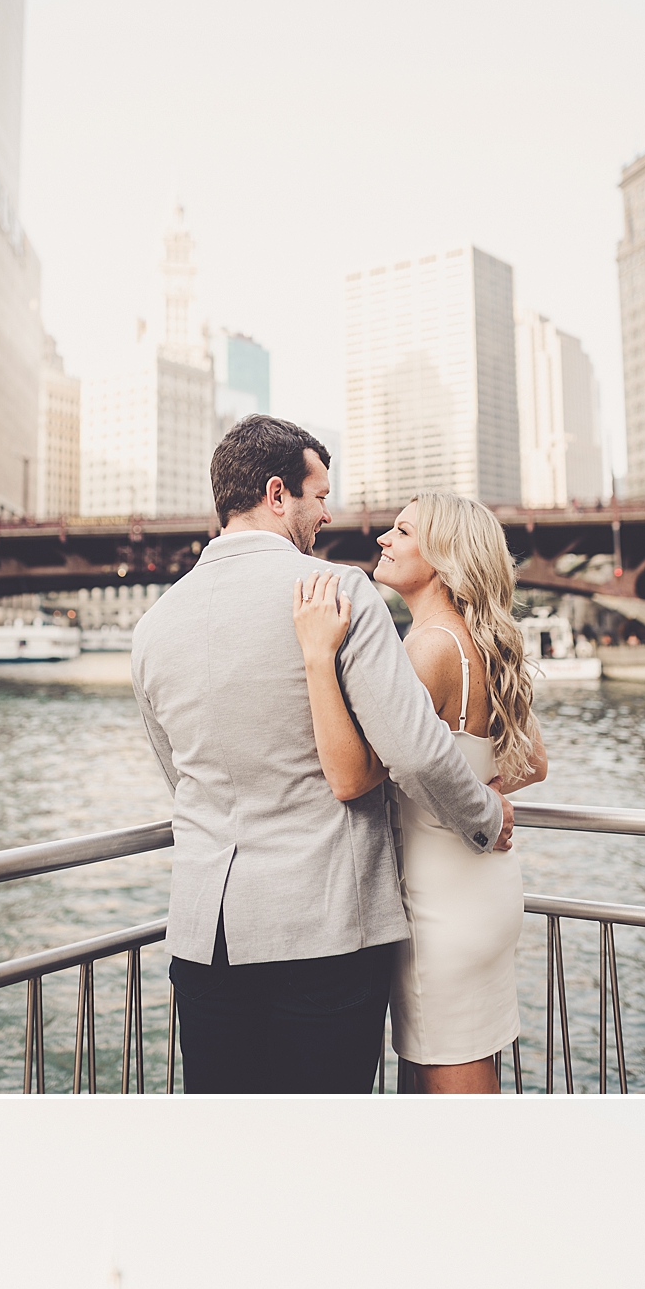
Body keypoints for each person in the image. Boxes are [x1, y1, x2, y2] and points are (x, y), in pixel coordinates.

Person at [130, 416, 513, 1095]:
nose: (327, 513)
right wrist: (484, 815)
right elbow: (416, 753)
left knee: (231, 1148)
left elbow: (177, 774)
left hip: (205, 938)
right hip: (326, 934)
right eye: (318, 495)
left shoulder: (153, 626)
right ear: (278, 494)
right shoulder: (338, 590)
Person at [293, 494, 547, 1094]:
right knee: (450, 1063)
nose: (382, 538)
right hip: (483, 889)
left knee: (446, 1074)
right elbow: (533, 761)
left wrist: (318, 655)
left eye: (402, 531)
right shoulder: (482, 643)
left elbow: (355, 773)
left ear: (441, 558)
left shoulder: (428, 648)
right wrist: (479, 786)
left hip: (438, 909)